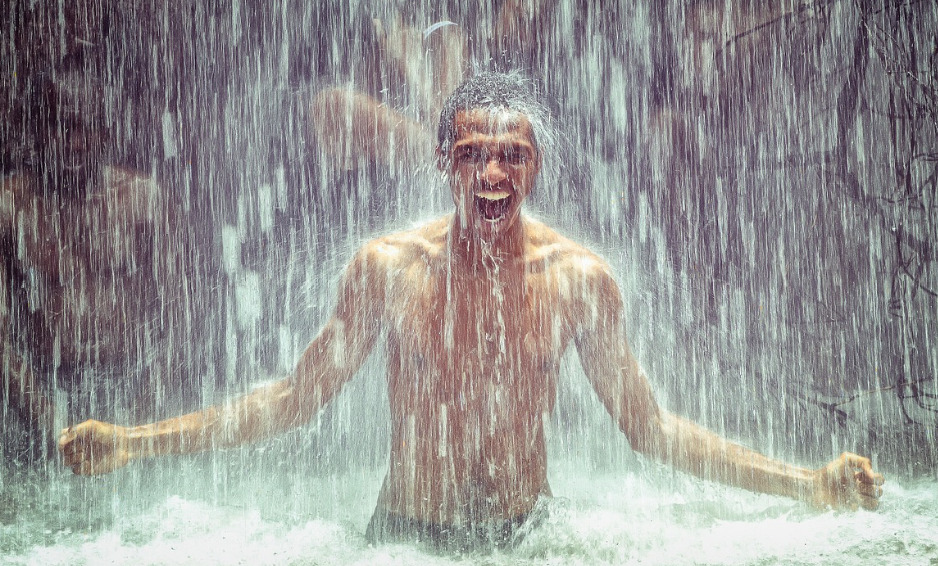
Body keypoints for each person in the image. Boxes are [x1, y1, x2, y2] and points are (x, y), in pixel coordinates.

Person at [59, 72, 884, 551]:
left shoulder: (578, 280)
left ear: (536, 166)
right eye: (472, 154)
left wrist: (806, 484)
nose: (493, 172)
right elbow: (289, 399)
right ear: (444, 165)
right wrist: (135, 442)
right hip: (405, 544)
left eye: (511, 155)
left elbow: (655, 429)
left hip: (531, 543)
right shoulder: (388, 268)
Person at [1, 59, 213, 452]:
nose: (77, 141)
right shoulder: (10, 209)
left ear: (107, 131)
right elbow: (1, 341)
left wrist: (130, 429)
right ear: (36, 131)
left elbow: (185, 320)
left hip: (133, 383)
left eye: (90, 126)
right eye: (63, 126)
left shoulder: (143, 200)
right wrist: (54, 425)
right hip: (41, 388)